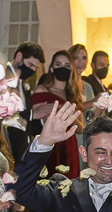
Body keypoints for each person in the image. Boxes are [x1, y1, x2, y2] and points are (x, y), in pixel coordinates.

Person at [32, 49, 85, 178]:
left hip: (69, 146)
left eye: (67, 66)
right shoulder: (42, 90)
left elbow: (80, 128)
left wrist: (64, 111)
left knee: (69, 184)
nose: (62, 69)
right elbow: (35, 120)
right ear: (51, 68)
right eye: (58, 64)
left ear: (71, 70)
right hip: (50, 144)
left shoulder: (73, 95)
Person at [3, 42, 47, 161]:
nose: (32, 70)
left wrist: (44, 120)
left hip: (21, 150)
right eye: (30, 64)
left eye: (35, 68)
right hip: (5, 146)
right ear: (19, 57)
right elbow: (0, 112)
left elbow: (27, 125)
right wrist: (32, 114)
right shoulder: (1, 79)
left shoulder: (24, 87)